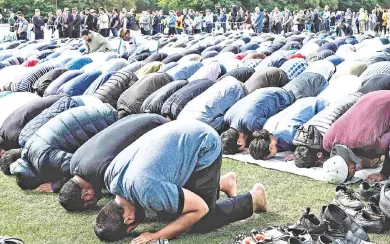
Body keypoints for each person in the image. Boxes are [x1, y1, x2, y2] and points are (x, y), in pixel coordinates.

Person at [94, 119, 267, 243]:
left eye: (132, 229)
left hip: (204, 142)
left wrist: (158, 235)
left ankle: (253, 198)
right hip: (181, 129)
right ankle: (223, 182)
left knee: (201, 220)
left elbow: (200, 208)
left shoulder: (147, 191)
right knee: (170, 209)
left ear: (128, 219)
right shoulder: (111, 178)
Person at [58, 114, 168, 211]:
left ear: (86, 195)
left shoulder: (102, 174)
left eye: (89, 204)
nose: (95, 203)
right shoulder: (73, 163)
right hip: (141, 117)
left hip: (160, 125)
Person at [322, 91, 390, 184]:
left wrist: (384, 173)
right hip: (371, 96)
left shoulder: (369, 143)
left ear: (351, 168)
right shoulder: (327, 141)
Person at [249, 97, 326, 161]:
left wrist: (297, 154)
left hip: (319, 106)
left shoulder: (289, 135)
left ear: (271, 148)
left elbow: (312, 144)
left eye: (270, 156)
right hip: (304, 101)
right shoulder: (266, 128)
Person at [221, 87, 294, 154]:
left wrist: (253, 149)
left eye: (240, 149)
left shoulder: (252, 124)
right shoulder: (227, 117)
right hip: (267, 90)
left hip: (284, 96)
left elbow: (271, 136)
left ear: (239, 141)